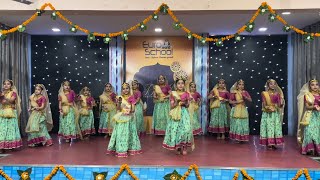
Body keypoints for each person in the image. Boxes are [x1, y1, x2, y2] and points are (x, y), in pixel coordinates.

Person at [106, 83, 142, 157]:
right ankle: (121, 149)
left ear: (129, 89)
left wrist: (130, 107)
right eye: (123, 88)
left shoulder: (132, 97)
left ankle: (130, 148)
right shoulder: (119, 97)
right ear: (121, 90)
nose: (125, 90)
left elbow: (133, 110)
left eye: (127, 88)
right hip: (121, 117)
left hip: (129, 117)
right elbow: (118, 109)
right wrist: (119, 103)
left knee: (129, 133)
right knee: (120, 133)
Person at [163, 73, 194, 155]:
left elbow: (187, 105)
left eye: (182, 83)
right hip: (175, 114)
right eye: (179, 83)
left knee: (186, 130)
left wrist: (184, 103)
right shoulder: (173, 93)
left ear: (184, 85)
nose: (180, 85)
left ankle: (184, 147)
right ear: (176, 85)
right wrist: (177, 102)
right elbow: (172, 106)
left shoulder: (187, 94)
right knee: (176, 130)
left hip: (184, 113)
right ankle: (178, 146)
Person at [259, 79, 285, 149]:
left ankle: (273, 143)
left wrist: (281, 103)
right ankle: (269, 143)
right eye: (271, 84)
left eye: (274, 84)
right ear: (268, 85)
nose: (273, 85)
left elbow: (279, 105)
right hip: (267, 113)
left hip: (275, 113)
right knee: (268, 127)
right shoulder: (264, 93)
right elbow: (264, 104)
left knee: (274, 127)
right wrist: (269, 108)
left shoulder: (278, 94)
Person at [297, 79, 320, 155]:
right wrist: (314, 107)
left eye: (316, 84)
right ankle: (310, 149)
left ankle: (317, 149)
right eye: (312, 85)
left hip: (318, 116)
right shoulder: (308, 95)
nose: (315, 86)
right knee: (309, 132)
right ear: (309, 86)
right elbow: (307, 106)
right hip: (310, 115)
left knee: (317, 132)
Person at [0, 80, 22, 152]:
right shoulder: (2, 93)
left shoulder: (13, 93)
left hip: (11, 113)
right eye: (5, 84)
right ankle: (2, 146)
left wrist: (4, 97)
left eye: (8, 84)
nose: (6, 85)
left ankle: (11, 145)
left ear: (11, 86)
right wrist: (2, 97)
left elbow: (11, 101)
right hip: (3, 112)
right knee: (2, 129)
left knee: (10, 129)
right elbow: (2, 103)